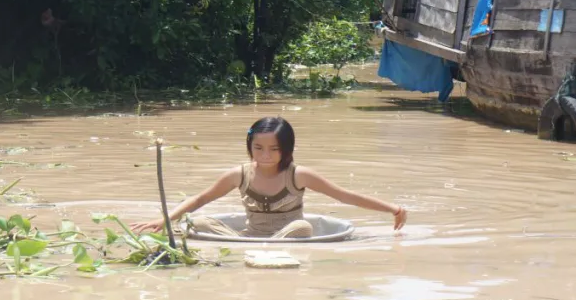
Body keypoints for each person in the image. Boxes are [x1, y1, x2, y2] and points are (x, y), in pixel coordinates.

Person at [131, 116, 408, 239]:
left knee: (303, 228)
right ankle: (257, 248)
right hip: (248, 235)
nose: (265, 155)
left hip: (289, 234)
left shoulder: (299, 175)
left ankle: (268, 249)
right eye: (258, 148)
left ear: (286, 149)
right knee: (199, 223)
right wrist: (163, 221)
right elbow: (201, 199)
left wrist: (393, 209)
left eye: (274, 149)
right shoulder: (238, 174)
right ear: (250, 147)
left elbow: (345, 195)